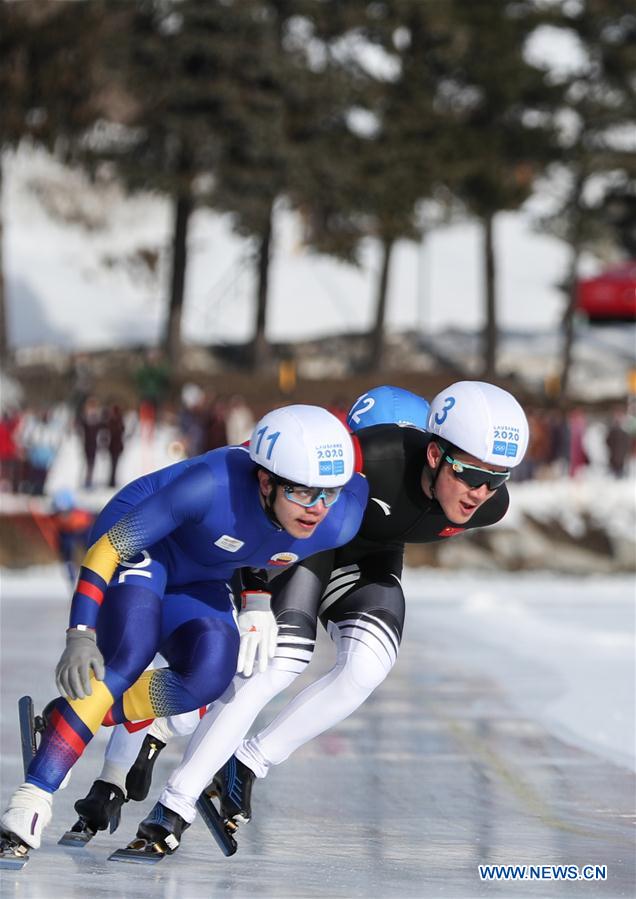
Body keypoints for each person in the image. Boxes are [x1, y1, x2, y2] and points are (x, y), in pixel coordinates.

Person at [98, 381, 529, 856]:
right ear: (433, 454)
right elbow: (252, 475)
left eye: (498, 479)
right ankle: (172, 804)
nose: (482, 493)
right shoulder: (374, 457)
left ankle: (246, 763)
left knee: (368, 665)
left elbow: (399, 526)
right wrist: (255, 589)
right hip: (308, 546)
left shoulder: (491, 506)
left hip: (369, 559)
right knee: (273, 663)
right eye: (471, 475)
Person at [0, 405, 368, 864]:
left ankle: (69, 717)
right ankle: (31, 799)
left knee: (212, 672)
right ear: (265, 481)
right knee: (127, 657)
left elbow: (261, 539)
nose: (316, 509)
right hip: (143, 545)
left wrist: (256, 597)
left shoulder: (342, 516)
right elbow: (108, 548)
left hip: (201, 574)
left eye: (328, 494)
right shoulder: (209, 485)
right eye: (302, 493)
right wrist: (80, 632)